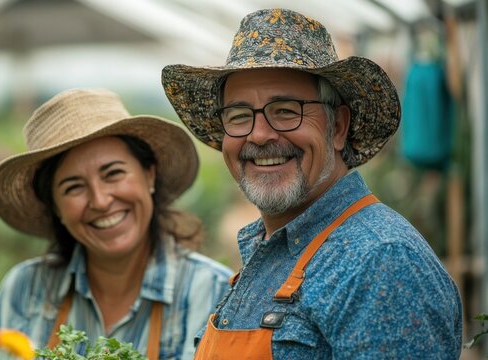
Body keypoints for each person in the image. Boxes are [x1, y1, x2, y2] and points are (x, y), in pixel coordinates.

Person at [161, 8, 463, 359]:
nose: (259, 135)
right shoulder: (276, 248)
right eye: (240, 116)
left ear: (337, 128)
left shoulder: (381, 262)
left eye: (287, 110)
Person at [0, 88, 233, 359]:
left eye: (113, 173)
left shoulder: (214, 295)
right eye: (74, 187)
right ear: (55, 207)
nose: (100, 201)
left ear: (149, 175)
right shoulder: (24, 289)